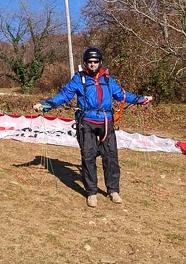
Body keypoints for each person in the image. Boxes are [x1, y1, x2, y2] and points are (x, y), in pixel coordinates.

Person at [33, 47, 153, 208]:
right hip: (86, 122)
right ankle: (91, 192)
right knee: (88, 156)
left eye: (95, 62)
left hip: (106, 122)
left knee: (110, 156)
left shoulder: (108, 79)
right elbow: (64, 95)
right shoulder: (78, 79)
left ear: (100, 62)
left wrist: (140, 99)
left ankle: (113, 190)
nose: (92, 64)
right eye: (89, 62)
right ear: (85, 63)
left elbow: (121, 95)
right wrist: (45, 105)